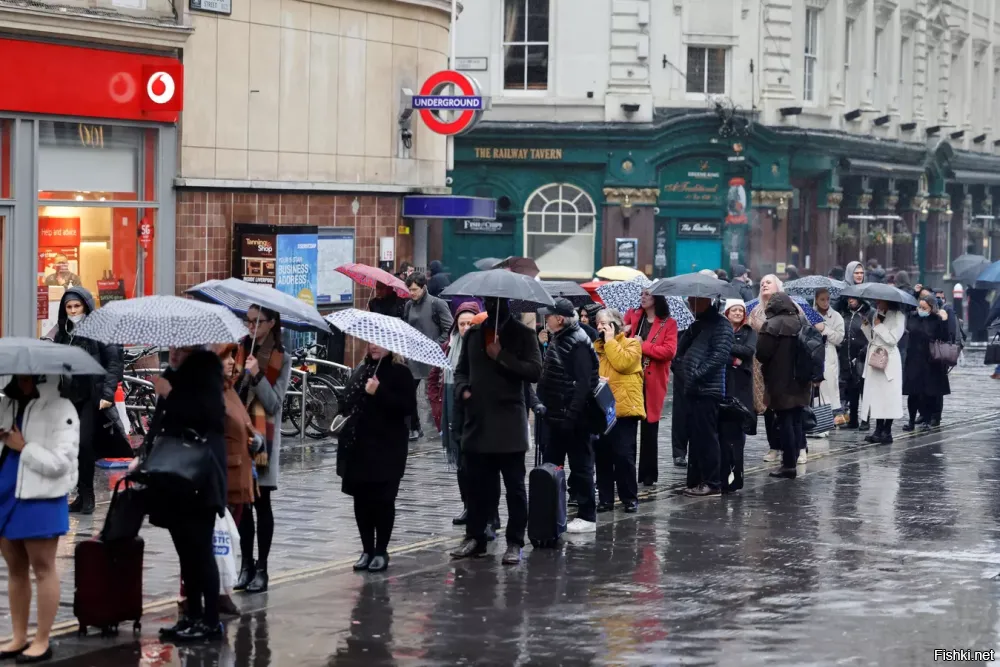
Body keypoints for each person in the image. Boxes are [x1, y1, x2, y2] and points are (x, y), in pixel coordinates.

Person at [141, 346, 226, 641]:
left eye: (182, 349)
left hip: (199, 473)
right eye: (173, 348)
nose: (174, 353)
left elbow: (211, 417)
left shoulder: (208, 370)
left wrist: (171, 394)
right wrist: (144, 454)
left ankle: (211, 622)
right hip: (173, 474)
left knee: (201, 549)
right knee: (185, 551)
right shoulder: (172, 374)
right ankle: (192, 616)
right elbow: (162, 423)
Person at [450, 297, 541, 564]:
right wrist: (462, 390)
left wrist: (501, 355)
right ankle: (475, 536)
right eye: (488, 301)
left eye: (497, 302)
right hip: (478, 422)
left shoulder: (523, 335)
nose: (492, 306)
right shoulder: (474, 335)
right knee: (478, 486)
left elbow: (535, 371)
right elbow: (460, 371)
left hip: (508, 424)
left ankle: (514, 542)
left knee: (514, 488)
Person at [0, 375, 79, 663]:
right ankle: (19, 636)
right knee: (15, 569)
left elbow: (62, 463)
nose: (23, 378)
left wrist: (24, 448)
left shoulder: (61, 408)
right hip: (6, 492)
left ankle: (42, 640)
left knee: (43, 568)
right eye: (19, 373)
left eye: (30, 374)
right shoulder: (6, 403)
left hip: (41, 497)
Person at [337, 343, 416, 573]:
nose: (373, 346)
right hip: (359, 446)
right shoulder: (362, 369)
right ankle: (366, 549)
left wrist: (379, 392)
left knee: (382, 501)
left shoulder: (401, 372)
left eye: (379, 343)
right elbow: (347, 400)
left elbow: (407, 407)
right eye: (371, 342)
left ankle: (381, 550)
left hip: (387, 448)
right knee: (361, 501)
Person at [234, 305, 291, 595]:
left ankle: (262, 569)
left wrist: (256, 375)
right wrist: (237, 374)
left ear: (271, 323)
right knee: (241, 502)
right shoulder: (239, 350)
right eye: (249, 320)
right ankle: (246, 563)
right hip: (238, 435)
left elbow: (273, 404)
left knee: (261, 504)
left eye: (258, 321)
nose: (251, 326)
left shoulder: (281, 358)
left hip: (262, 440)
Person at [52, 286, 123, 515]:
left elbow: (114, 363)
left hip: (93, 397)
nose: (73, 311)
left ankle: (88, 495)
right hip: (70, 396)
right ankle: (82, 495)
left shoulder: (100, 329)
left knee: (85, 444)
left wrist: (107, 394)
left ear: (86, 306)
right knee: (73, 447)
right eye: (69, 307)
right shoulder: (63, 332)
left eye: (77, 306)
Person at [535, 298, 599, 531]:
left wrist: (571, 416)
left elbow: (583, 384)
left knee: (581, 465)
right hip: (555, 415)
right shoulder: (559, 337)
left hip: (574, 418)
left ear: (559, 319)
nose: (546, 320)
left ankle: (587, 515)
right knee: (552, 465)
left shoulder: (578, 341)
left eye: (549, 316)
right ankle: (552, 511)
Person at [426, 302, 481, 523]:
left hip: (476, 412)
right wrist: (438, 405)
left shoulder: (482, 348)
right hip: (452, 410)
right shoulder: (448, 347)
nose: (466, 327)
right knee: (460, 463)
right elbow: (432, 379)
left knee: (478, 465)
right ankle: (467, 506)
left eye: (470, 323)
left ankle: (486, 513)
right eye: (462, 324)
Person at [214, 344, 258, 616]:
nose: (233, 361)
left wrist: (253, 437)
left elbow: (243, 422)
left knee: (226, 540)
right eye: (226, 357)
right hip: (223, 477)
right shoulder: (209, 392)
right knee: (214, 540)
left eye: (233, 356)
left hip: (239, 474)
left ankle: (223, 592)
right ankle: (203, 597)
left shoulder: (229, 388)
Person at [679, 295, 733, 497]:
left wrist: (697, 374)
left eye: (695, 301)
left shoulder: (721, 325)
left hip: (708, 389)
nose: (691, 305)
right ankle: (696, 480)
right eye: (690, 301)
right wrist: (683, 370)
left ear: (706, 301)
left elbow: (719, 356)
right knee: (695, 437)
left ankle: (712, 482)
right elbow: (681, 350)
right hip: (692, 388)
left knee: (707, 437)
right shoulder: (697, 324)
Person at [593, 308, 644, 514]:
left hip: (624, 409)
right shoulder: (596, 349)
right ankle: (605, 499)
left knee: (624, 456)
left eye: (605, 323)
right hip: (602, 409)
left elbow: (622, 363)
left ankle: (629, 498)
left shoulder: (632, 344)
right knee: (602, 456)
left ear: (616, 325)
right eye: (598, 323)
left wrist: (611, 340)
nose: (600, 327)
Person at [755, 293, 811, 480]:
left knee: (785, 421)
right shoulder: (802, 321)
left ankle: (788, 465)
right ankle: (793, 459)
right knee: (796, 421)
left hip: (779, 381)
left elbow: (762, 354)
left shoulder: (771, 325)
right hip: (801, 380)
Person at [624, 290, 678, 477]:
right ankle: (627, 472)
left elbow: (669, 352)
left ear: (657, 298)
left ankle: (647, 474)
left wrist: (643, 345)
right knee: (628, 426)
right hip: (631, 378)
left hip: (653, 380)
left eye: (648, 294)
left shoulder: (668, 324)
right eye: (642, 294)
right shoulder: (633, 316)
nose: (643, 297)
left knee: (649, 426)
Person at [403, 273, 453, 441]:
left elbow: (449, 329)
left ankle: (445, 425)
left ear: (423, 287)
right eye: (409, 290)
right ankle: (415, 427)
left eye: (415, 289)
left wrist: (435, 344)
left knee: (437, 395)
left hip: (433, 356)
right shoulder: (409, 305)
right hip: (413, 357)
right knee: (408, 392)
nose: (412, 293)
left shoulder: (437, 304)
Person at [859, 299, 905, 444]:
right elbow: (872, 338)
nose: (878, 303)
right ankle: (878, 429)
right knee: (877, 395)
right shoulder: (876, 314)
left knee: (889, 395)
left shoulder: (898, 316)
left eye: (881, 301)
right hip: (875, 358)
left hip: (889, 360)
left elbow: (893, 339)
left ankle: (887, 430)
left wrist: (879, 326)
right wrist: (866, 324)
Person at [721, 300, 756, 493]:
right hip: (724, 385)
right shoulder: (722, 330)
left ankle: (737, 474)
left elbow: (749, 351)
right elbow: (718, 352)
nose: (737, 313)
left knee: (737, 436)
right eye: (733, 310)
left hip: (741, 388)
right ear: (727, 312)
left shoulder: (749, 331)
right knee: (724, 435)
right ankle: (724, 475)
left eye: (740, 310)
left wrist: (728, 348)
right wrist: (733, 358)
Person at [902, 296, 951, 430]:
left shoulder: (937, 320)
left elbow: (945, 337)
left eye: (924, 308)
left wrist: (944, 320)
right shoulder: (913, 317)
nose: (921, 310)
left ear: (931, 308)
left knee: (928, 393)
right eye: (919, 307)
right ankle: (911, 420)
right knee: (913, 393)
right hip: (914, 360)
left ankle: (927, 420)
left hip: (931, 361)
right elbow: (909, 331)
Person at [812, 288, 844, 437]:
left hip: (829, 354)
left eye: (827, 299)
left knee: (829, 388)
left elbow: (839, 338)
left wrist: (824, 329)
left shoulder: (836, 316)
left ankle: (826, 421)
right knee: (815, 390)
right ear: (816, 300)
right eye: (822, 299)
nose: (825, 303)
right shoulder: (810, 315)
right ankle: (814, 422)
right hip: (813, 353)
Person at [839, 297, 870, 430]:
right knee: (852, 391)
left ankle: (865, 420)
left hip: (862, 359)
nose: (850, 301)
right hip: (847, 358)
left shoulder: (866, 314)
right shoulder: (845, 315)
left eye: (853, 299)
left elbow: (870, 337)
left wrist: (861, 354)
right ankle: (853, 420)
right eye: (848, 299)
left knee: (865, 391)